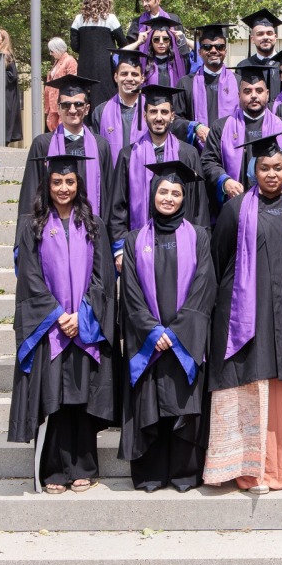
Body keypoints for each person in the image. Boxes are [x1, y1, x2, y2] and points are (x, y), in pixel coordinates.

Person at [204, 133, 282, 493]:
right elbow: (219, 260)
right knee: (252, 382)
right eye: (264, 167)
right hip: (247, 316)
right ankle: (252, 470)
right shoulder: (236, 210)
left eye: (278, 167)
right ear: (253, 171)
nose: (271, 174)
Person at [7, 152, 116, 494]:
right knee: (54, 397)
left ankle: (84, 466)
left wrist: (82, 314)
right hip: (51, 328)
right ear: (47, 184)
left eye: (70, 182)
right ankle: (53, 469)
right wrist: (58, 315)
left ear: (79, 184)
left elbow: (104, 278)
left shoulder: (93, 224)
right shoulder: (33, 225)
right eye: (57, 182)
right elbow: (29, 277)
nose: (64, 188)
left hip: (84, 324)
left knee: (82, 397)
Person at [117, 161, 217, 492]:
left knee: (183, 404)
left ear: (184, 198)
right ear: (152, 194)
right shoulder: (133, 240)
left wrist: (175, 334)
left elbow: (204, 287)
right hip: (148, 342)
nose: (169, 198)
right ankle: (150, 474)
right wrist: (152, 331)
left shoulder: (200, 236)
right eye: (163, 191)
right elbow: (130, 292)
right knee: (150, 403)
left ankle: (184, 474)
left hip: (183, 341)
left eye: (176, 193)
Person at [108, 84, 208, 264]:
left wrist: (198, 245)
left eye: (164, 112)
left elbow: (199, 205)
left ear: (172, 116)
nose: (159, 117)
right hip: (139, 248)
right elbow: (118, 207)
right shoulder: (128, 155)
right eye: (153, 112)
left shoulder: (188, 154)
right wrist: (120, 249)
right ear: (145, 116)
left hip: (182, 247)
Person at [201, 62, 282, 210]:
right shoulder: (220, 127)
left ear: (267, 93)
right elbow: (208, 162)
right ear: (239, 95)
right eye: (247, 91)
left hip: (277, 209)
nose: (254, 96)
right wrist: (224, 181)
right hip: (235, 208)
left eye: (259, 90)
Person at [18, 75, 113, 221]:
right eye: (66, 105)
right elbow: (29, 195)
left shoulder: (101, 146)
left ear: (87, 109)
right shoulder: (43, 144)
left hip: (91, 230)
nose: (72, 110)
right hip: (52, 232)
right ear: (58, 108)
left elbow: (109, 197)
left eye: (78, 104)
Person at [175, 23, 237, 149]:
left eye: (219, 47)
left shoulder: (239, 82)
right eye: (207, 47)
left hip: (232, 150)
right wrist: (195, 127)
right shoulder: (186, 83)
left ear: (225, 50)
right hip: (197, 153)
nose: (214, 50)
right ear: (200, 51)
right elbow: (175, 119)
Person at [71, 0, 127, 107]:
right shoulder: (110, 19)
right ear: (107, 1)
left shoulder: (78, 19)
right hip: (105, 67)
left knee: (84, 100)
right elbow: (123, 43)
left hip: (84, 67)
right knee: (106, 101)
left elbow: (74, 46)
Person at [91, 49, 147, 163]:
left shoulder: (152, 111)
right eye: (124, 74)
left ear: (142, 78)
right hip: (111, 177)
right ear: (116, 77)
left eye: (135, 74)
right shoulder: (100, 112)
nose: (129, 79)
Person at [127, 0, 191, 64]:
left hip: (170, 64)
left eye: (147, 0)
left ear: (158, 1)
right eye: (142, 1)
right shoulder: (137, 22)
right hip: (147, 65)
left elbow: (182, 45)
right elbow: (131, 47)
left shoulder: (173, 19)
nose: (144, 4)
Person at [239, 8, 282, 96]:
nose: (265, 37)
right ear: (252, 39)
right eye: (260, 34)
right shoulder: (243, 67)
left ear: (275, 37)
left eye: (269, 33)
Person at [140, 15, 188, 87]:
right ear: (150, 41)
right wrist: (138, 42)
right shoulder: (143, 63)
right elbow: (121, 55)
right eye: (156, 39)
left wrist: (184, 40)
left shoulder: (180, 62)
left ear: (170, 40)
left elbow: (201, 53)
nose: (161, 42)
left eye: (166, 39)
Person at [0, 29, 23, 146]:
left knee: (6, 117)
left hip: (6, 93)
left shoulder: (6, 54)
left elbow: (12, 75)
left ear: (3, 39)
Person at [44, 37, 78, 132]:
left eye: (52, 51)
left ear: (58, 49)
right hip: (52, 102)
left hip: (62, 100)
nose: (50, 54)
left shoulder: (70, 61)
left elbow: (72, 82)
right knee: (51, 125)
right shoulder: (56, 62)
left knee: (62, 126)